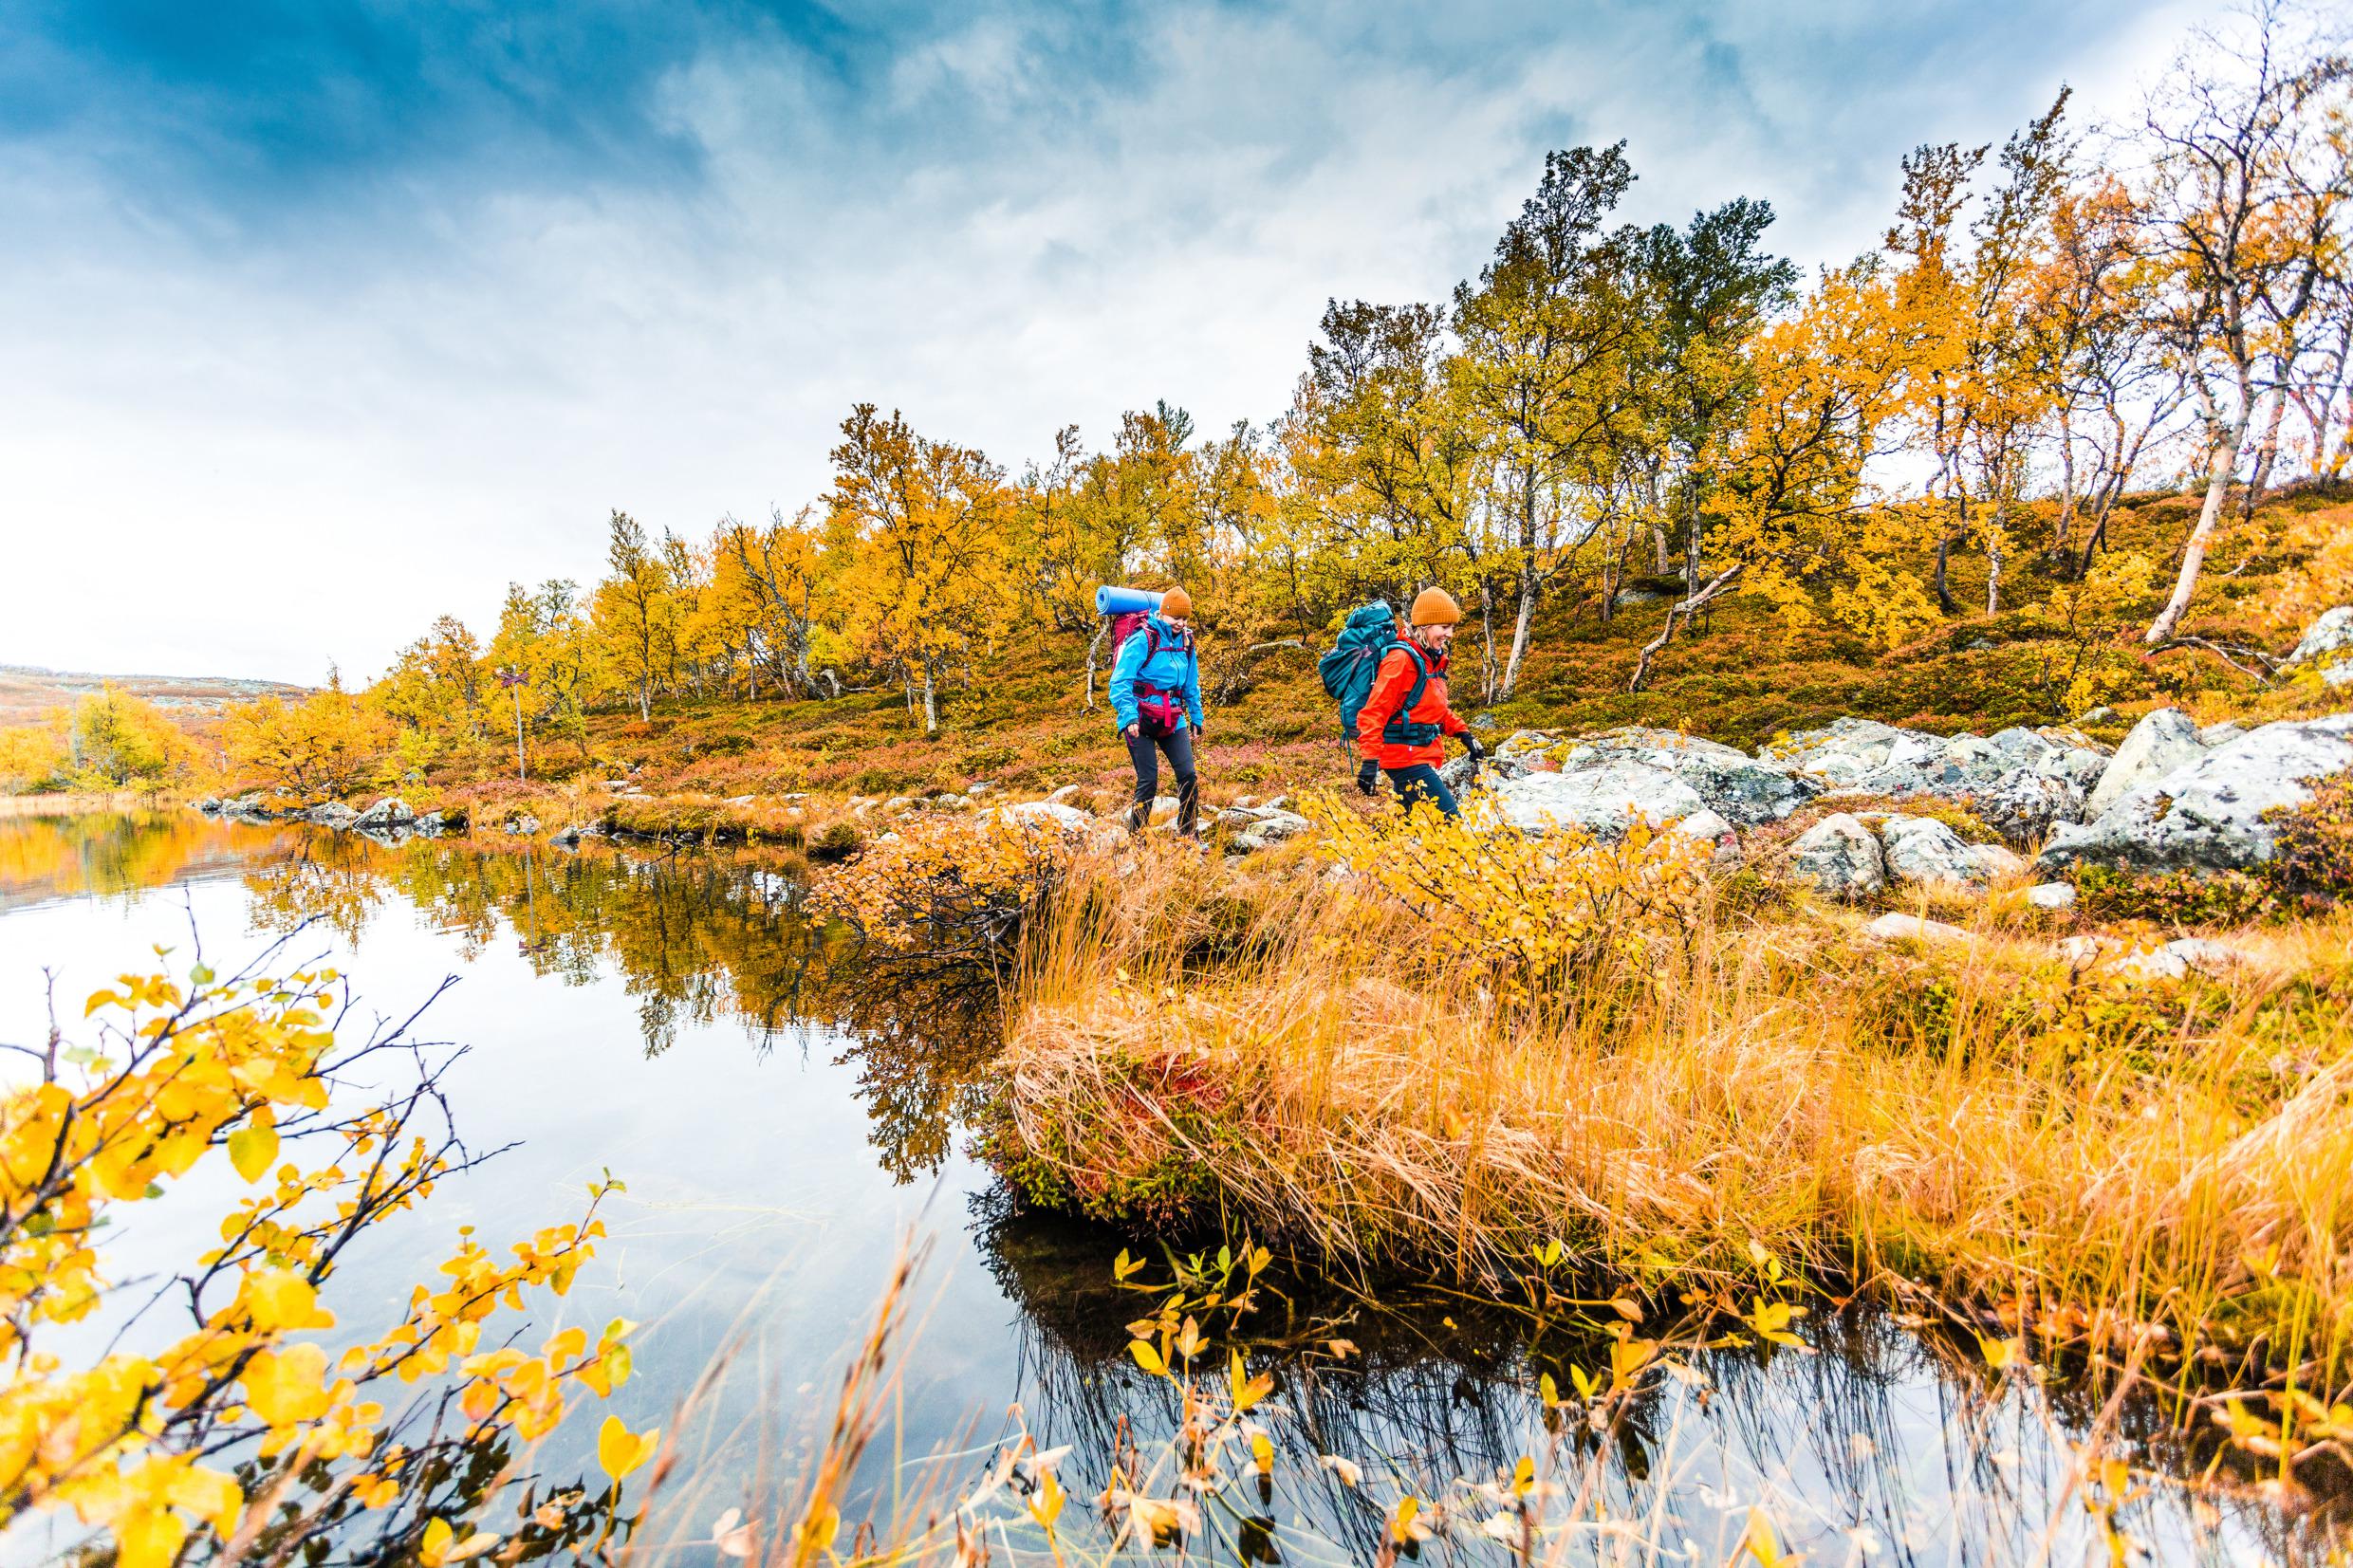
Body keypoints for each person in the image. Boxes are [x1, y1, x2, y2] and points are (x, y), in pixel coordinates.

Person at [1354, 587, 1483, 819]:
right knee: (1450, 821)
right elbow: (1373, 713)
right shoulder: (1401, 660)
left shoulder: (1428, 659)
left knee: (1405, 826)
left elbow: (1431, 707)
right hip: (1405, 758)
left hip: (1416, 754)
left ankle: (1383, 854)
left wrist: (1464, 734)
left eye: (1452, 627)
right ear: (1424, 626)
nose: (1450, 634)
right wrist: (1370, 761)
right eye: (1444, 627)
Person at [1110, 586, 1205, 838]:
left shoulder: (1187, 641)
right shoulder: (1144, 639)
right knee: (1148, 781)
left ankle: (1188, 834)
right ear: (1163, 614)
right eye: (1176, 618)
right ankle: (1135, 838)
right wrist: (1128, 715)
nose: (1181, 623)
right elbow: (1120, 681)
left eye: (1185, 619)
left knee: (1188, 776)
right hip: (1139, 720)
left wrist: (1196, 716)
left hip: (1172, 717)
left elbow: (1190, 683)